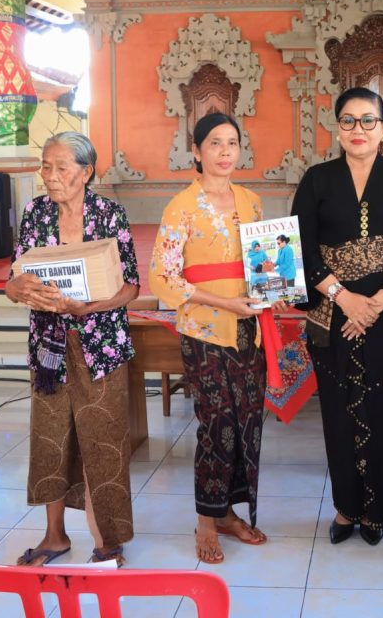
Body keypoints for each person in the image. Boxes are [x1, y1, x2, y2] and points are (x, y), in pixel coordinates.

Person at [292, 87, 383, 545]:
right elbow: (300, 248)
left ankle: (377, 512)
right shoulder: (316, 179)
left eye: (368, 120)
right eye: (349, 121)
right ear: (338, 128)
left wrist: (372, 304)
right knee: (337, 414)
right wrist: (342, 297)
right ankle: (345, 508)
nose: (359, 129)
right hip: (330, 315)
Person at [150, 112, 279, 564]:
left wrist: (275, 290)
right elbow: (163, 278)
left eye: (232, 143)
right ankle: (206, 520)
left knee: (248, 422)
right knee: (216, 424)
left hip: (250, 330)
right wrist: (225, 304)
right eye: (215, 144)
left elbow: (265, 264)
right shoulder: (180, 206)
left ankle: (228, 513)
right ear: (197, 151)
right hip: (205, 331)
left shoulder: (252, 201)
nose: (226, 152)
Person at [6, 132, 139, 567]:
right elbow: (14, 279)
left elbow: (130, 286)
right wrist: (16, 287)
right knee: (51, 437)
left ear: (85, 172)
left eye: (61, 167)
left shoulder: (109, 215)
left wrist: (86, 308)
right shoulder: (34, 214)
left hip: (100, 345)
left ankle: (106, 539)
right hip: (49, 349)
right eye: (46, 166)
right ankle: (54, 536)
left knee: (102, 439)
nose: (51, 176)